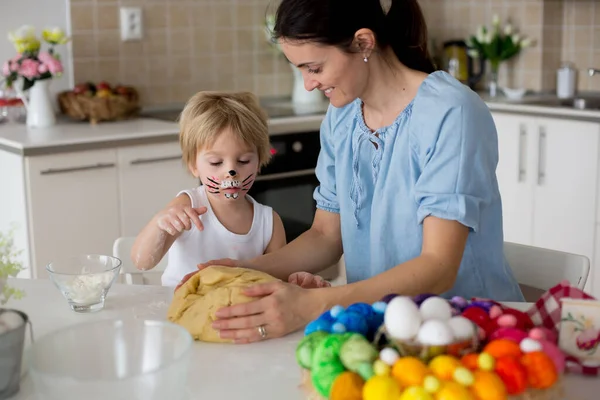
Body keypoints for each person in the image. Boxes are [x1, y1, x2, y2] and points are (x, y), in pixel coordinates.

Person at [177, 0, 525, 344]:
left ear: (363, 43)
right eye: (299, 69)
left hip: (466, 328)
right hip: (382, 326)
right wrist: (244, 270)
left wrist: (312, 305)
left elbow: (438, 265)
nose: (308, 84)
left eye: (313, 68)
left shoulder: (450, 112)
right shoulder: (342, 118)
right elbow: (326, 237)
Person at [131, 91, 331, 289]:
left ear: (259, 162)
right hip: (182, 312)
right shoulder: (188, 206)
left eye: (243, 161)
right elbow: (143, 262)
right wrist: (160, 224)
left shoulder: (268, 223)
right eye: (216, 162)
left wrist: (298, 283)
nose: (231, 172)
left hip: (238, 316)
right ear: (193, 165)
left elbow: (277, 282)